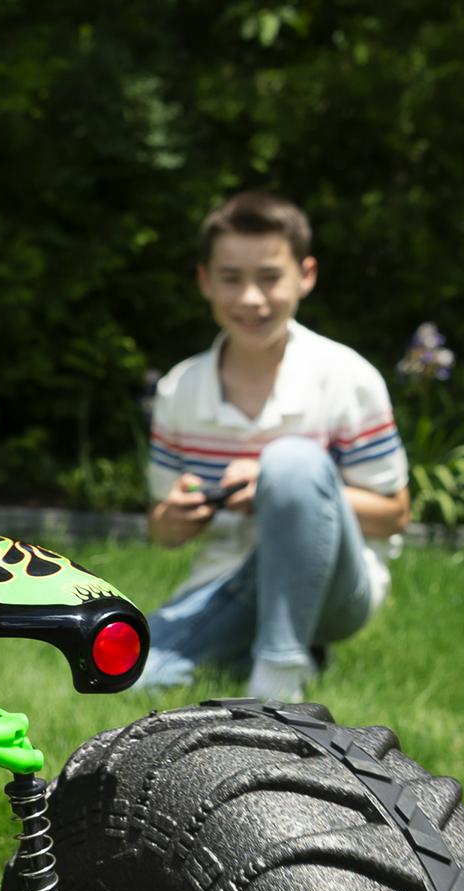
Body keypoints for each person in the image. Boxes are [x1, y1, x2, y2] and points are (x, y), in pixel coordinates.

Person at [139, 190, 410, 702]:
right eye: (231, 279)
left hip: (336, 589)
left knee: (291, 461)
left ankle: (278, 678)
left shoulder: (348, 378)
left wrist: (281, 485)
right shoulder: (179, 390)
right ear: (204, 280)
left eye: (269, 277)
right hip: (228, 582)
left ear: (305, 276)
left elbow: (395, 514)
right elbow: (161, 528)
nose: (250, 300)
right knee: (134, 673)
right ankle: (262, 650)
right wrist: (175, 518)